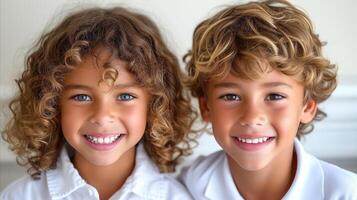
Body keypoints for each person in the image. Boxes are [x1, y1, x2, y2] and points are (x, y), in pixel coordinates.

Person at [1, 6, 196, 200]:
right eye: (81, 97)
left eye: (125, 96)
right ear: (52, 105)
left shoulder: (176, 197)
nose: (102, 116)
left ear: (155, 105)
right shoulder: (20, 196)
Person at [180, 0, 357, 199]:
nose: (252, 117)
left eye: (275, 96)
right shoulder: (191, 184)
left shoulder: (345, 192)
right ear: (206, 108)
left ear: (307, 107)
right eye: (231, 96)